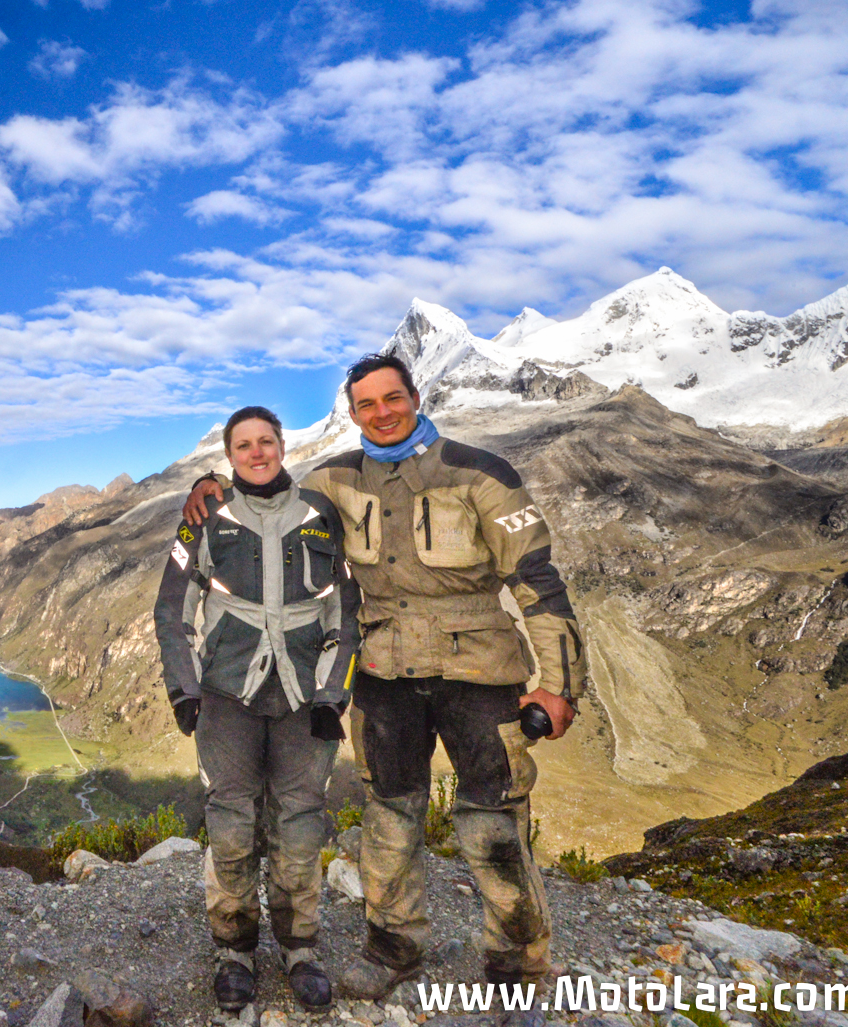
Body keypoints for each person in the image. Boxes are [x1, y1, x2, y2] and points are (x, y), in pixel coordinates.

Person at [184, 355, 585, 1018]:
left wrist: (560, 684)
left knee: (491, 822)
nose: (381, 412)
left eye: (391, 398)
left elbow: (538, 581)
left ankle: (518, 962)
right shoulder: (334, 479)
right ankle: (394, 945)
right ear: (353, 410)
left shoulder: (482, 472)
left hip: (479, 672)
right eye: (366, 404)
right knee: (389, 816)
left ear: (415, 396)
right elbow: (268, 498)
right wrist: (212, 482)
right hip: (383, 673)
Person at [155, 405, 362, 1014]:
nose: (256, 452)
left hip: (305, 699)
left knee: (299, 826)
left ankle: (300, 948)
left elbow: (345, 615)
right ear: (229, 454)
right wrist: (184, 690)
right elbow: (172, 613)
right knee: (230, 826)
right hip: (226, 696)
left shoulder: (321, 516)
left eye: (265, 441)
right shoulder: (203, 519)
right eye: (243, 445)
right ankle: (235, 951)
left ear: (281, 446)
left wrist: (333, 695)